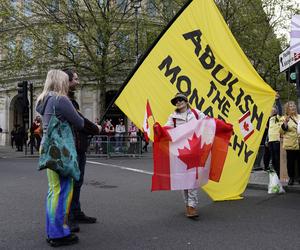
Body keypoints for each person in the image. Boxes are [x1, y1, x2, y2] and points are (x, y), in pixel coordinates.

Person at [36, 69, 85, 247]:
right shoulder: (61, 99)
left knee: (53, 190)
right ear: (60, 82)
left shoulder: (43, 99)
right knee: (64, 190)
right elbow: (79, 122)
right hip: (60, 152)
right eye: (65, 80)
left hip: (48, 149)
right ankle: (59, 234)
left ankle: (52, 230)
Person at [63, 69, 100, 233]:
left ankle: (76, 212)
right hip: (72, 147)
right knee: (71, 183)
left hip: (79, 146)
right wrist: (96, 128)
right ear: (67, 81)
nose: (78, 82)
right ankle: (68, 217)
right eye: (75, 79)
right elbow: (80, 122)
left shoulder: (71, 100)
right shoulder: (65, 101)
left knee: (77, 182)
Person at [164, 93, 205, 218]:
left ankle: (192, 206)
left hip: (194, 150)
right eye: (176, 101)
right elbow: (166, 128)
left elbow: (208, 122)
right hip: (180, 152)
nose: (178, 102)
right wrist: (157, 129)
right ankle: (187, 205)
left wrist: (222, 127)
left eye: (181, 99)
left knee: (192, 179)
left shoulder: (196, 113)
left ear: (186, 101)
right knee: (183, 180)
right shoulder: (173, 117)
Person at [280, 101, 300, 185]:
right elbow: (281, 131)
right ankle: (291, 178)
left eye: (294, 106)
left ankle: (299, 178)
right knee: (290, 162)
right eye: (291, 106)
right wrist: (285, 122)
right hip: (290, 143)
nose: (293, 107)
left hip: (299, 142)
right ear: (287, 109)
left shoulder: (299, 117)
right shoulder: (283, 118)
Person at [267, 92, 282, 177]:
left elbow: (280, 110)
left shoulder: (278, 117)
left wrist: (277, 100)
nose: (272, 110)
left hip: (276, 140)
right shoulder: (269, 119)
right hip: (270, 141)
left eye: (273, 109)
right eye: (271, 110)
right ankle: (275, 173)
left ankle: (279, 173)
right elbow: (269, 130)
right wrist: (267, 140)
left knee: (277, 157)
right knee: (273, 158)